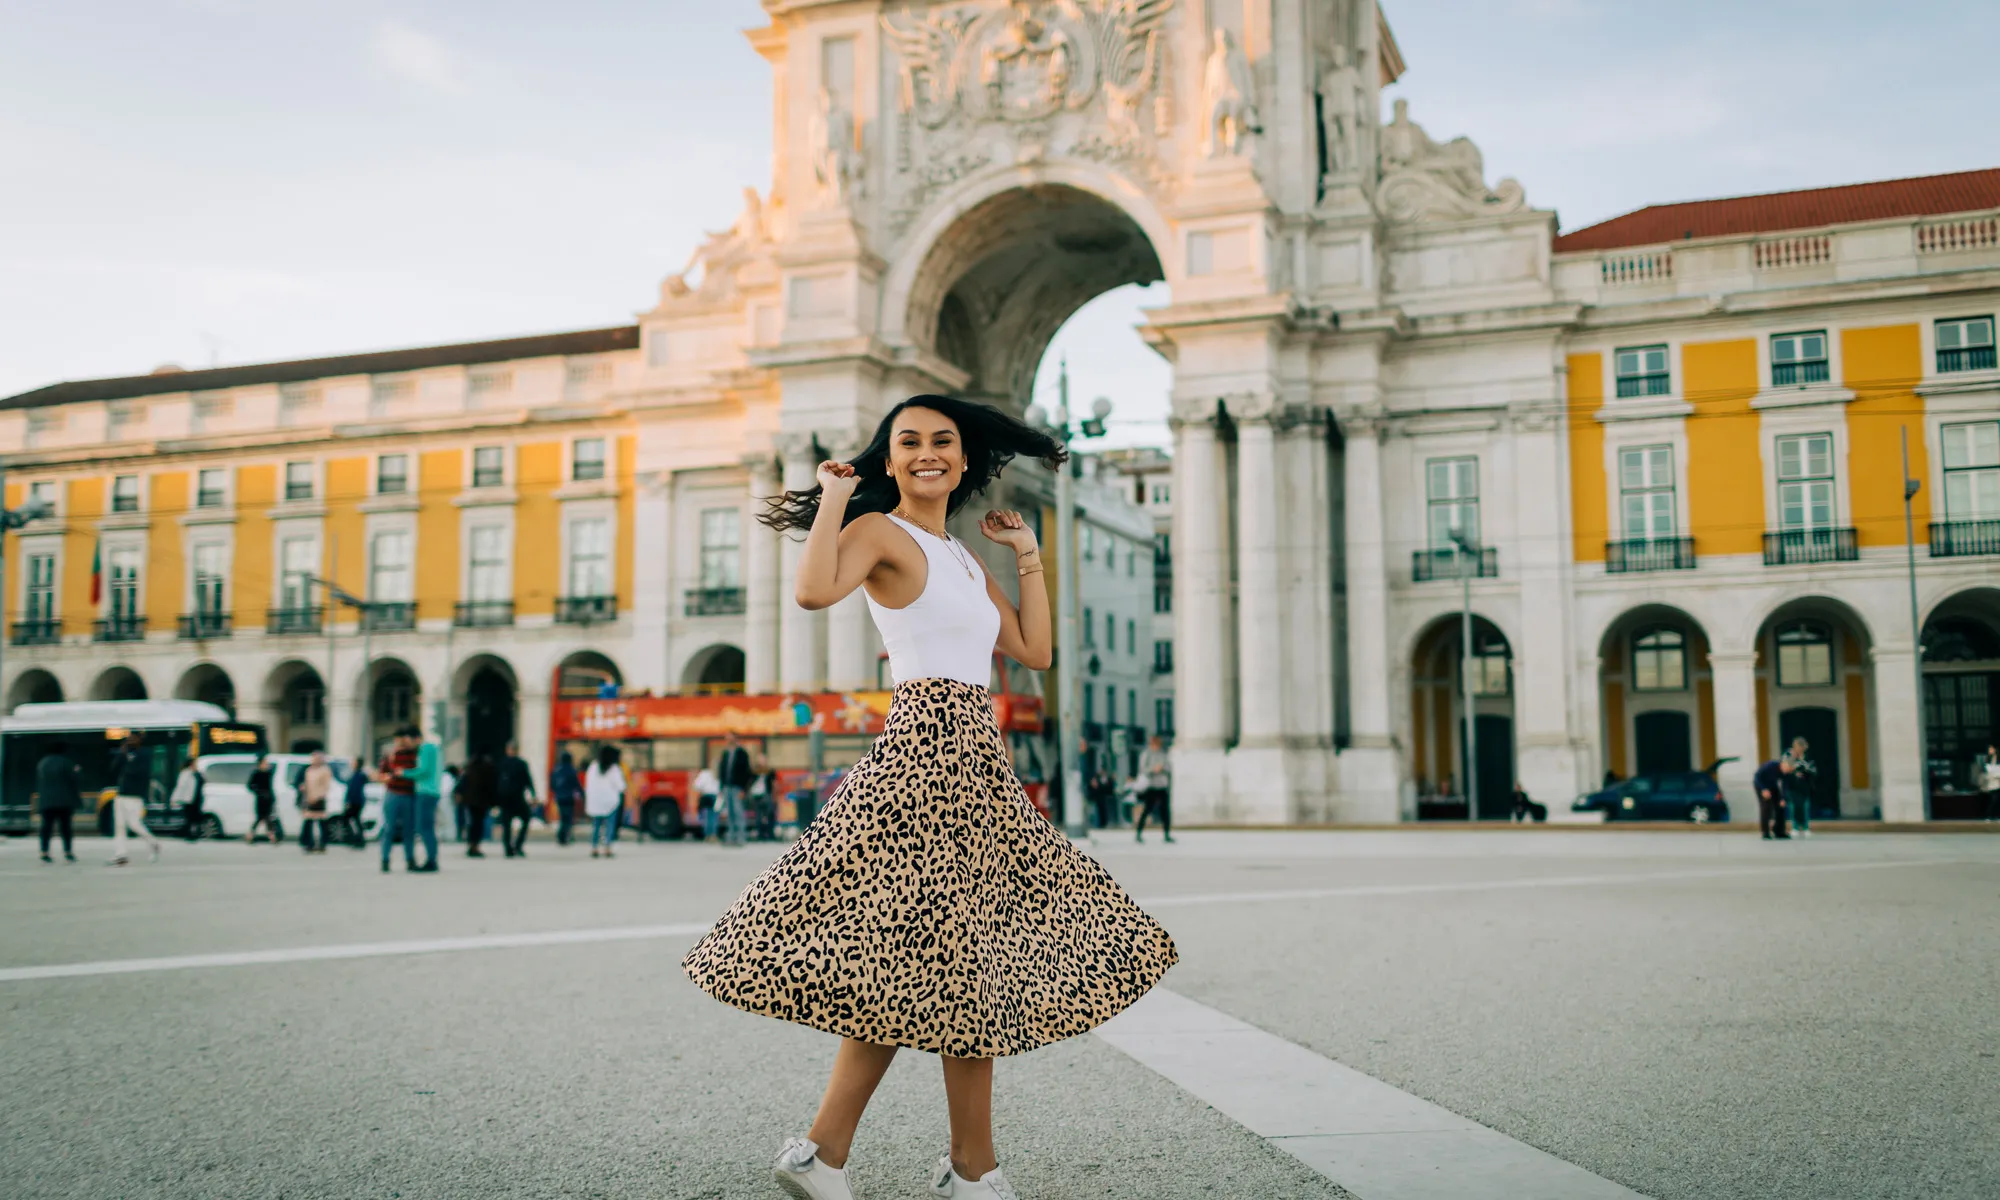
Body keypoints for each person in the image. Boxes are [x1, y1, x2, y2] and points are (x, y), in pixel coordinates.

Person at [681, 396, 1177, 1200]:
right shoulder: (882, 533)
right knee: (960, 965)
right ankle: (965, 1170)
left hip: (975, 759)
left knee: (933, 968)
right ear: (890, 459)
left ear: (965, 457)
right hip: (923, 755)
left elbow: (1035, 651)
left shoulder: (962, 558)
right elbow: (812, 593)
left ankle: (830, 1154)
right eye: (908, 442)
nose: (926, 453)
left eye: (941, 441)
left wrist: (1027, 555)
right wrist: (837, 497)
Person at [107, 733, 162, 866]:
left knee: (134, 824)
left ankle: (153, 843)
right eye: (128, 739)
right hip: (121, 794)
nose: (130, 741)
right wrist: (121, 754)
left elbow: (138, 771)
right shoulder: (125, 753)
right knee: (119, 826)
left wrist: (126, 758)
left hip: (135, 796)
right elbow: (113, 769)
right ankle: (121, 855)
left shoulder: (145, 754)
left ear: (140, 740)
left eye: (133, 738)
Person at [377, 727, 422, 873]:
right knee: (389, 828)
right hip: (393, 793)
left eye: (404, 739)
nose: (402, 742)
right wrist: (388, 777)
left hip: (409, 794)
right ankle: (385, 859)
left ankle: (410, 859)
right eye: (399, 739)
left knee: (409, 829)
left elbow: (419, 773)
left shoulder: (415, 754)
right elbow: (381, 775)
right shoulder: (390, 755)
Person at [35, 740, 81, 863]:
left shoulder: (43, 763)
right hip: (64, 801)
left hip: (47, 801)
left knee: (46, 827)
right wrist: (77, 772)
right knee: (65, 827)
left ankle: (44, 852)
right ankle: (68, 852)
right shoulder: (66, 763)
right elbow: (73, 781)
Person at [496, 741, 536, 857]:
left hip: (505, 799)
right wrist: (533, 795)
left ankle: (508, 848)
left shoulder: (502, 763)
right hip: (518, 797)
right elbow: (528, 780)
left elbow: (495, 782)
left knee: (506, 825)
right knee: (526, 819)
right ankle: (518, 845)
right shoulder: (521, 763)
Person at [585, 744, 625, 859]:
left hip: (595, 802)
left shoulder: (593, 766)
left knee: (596, 825)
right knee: (610, 825)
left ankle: (594, 847)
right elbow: (620, 786)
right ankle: (607, 847)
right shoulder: (614, 769)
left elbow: (588, 784)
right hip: (610, 802)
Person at [410, 732, 442, 871]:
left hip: (426, 791)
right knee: (427, 827)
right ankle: (432, 858)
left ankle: (431, 860)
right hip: (432, 791)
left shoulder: (425, 748)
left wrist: (404, 773)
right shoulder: (433, 748)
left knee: (424, 827)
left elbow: (424, 771)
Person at [458, 752, 499, 858]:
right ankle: (475, 845)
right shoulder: (489, 769)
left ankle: (472, 844)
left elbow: (462, 783)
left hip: (471, 801)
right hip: (482, 801)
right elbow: (492, 786)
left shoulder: (470, 769)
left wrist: (460, 794)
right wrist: (494, 801)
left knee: (473, 823)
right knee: (478, 823)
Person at [717, 732, 754, 848]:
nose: (727, 740)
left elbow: (747, 772)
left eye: (729, 738)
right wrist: (721, 787)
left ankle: (740, 837)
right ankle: (731, 837)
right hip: (727, 787)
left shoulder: (742, 754)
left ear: (735, 739)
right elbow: (721, 771)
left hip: (738, 788)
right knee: (730, 813)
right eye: (726, 738)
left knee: (738, 813)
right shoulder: (725, 753)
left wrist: (744, 789)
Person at [1134, 734, 1173, 843]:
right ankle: (1138, 833)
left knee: (1165, 811)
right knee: (1147, 810)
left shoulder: (1163, 754)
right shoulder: (1146, 755)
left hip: (1162, 786)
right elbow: (1143, 769)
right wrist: (1153, 769)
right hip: (1151, 786)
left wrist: (1162, 768)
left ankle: (1166, 834)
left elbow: (1168, 767)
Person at [298, 750, 335, 854]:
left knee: (321, 821)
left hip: (319, 799)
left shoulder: (325, 771)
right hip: (309, 798)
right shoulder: (309, 770)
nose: (314, 760)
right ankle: (308, 843)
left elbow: (326, 786)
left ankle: (323, 843)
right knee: (308, 822)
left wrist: (318, 796)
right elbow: (306, 783)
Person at [1753, 755, 1794, 840]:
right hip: (1761, 785)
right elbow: (1757, 777)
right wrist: (1763, 789)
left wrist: (1783, 798)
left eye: (1790, 770)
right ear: (1784, 764)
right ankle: (1765, 832)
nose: (1787, 772)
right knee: (1766, 807)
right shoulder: (1771, 765)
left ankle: (1779, 831)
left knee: (1781, 806)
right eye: (1788, 769)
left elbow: (1785, 786)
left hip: (1772, 786)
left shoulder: (1786, 773)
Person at [1783, 736, 1816, 836]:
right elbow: (1785, 767)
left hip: (1804, 785)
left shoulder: (1808, 756)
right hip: (1792, 785)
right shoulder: (1788, 754)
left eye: (1802, 748)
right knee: (1793, 807)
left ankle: (1805, 827)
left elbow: (1813, 769)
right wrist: (1794, 770)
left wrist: (1805, 769)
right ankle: (1795, 827)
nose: (1800, 750)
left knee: (1805, 806)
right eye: (1798, 747)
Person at [550, 750, 581, 845]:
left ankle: (562, 835)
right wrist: (580, 793)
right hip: (568, 797)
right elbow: (576, 783)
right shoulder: (571, 770)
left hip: (559, 796)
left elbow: (552, 784)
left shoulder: (556, 769)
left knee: (563, 817)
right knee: (568, 817)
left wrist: (557, 791)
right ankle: (564, 836)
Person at [173, 753, 206, 841]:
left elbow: (203, 782)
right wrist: (174, 798)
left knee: (196, 817)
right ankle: (189, 834)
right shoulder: (186, 773)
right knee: (189, 817)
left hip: (197, 799)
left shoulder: (198, 773)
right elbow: (180, 786)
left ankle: (194, 833)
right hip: (189, 799)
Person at [246, 755, 279, 843]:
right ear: (260, 764)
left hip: (269, 798)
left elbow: (275, 768)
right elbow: (250, 785)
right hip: (260, 799)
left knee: (268, 817)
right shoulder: (256, 773)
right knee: (260, 818)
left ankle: (271, 836)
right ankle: (252, 834)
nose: (266, 764)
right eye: (264, 763)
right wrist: (258, 792)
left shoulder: (268, 773)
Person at [340, 762, 371, 848]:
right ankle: (358, 839)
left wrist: (348, 801)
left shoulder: (358, 775)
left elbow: (353, 790)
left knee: (350, 819)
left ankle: (355, 839)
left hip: (355, 801)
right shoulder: (358, 775)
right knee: (356, 820)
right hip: (357, 801)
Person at [695, 763, 721, 841]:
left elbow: (696, 785)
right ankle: (713, 835)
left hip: (706, 796)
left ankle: (707, 835)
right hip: (716, 797)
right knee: (714, 817)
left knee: (707, 816)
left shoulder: (704, 773)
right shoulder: (719, 774)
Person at [1980, 743, 2000, 821]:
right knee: (1993, 799)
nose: (1989, 751)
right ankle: (1990, 815)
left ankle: (1994, 815)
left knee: (1996, 799)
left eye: (1991, 749)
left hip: (1998, 782)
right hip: (1991, 783)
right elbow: (1987, 771)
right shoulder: (1988, 759)